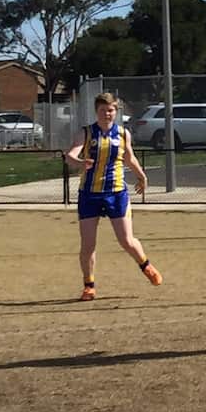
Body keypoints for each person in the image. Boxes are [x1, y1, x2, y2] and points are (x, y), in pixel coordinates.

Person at [64, 93, 162, 301]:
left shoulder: (123, 133)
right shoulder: (87, 133)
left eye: (111, 110)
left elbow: (129, 157)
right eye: (103, 110)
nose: (107, 114)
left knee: (126, 240)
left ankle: (146, 265)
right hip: (90, 194)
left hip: (116, 192)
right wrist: (80, 162)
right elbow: (71, 155)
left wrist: (141, 176)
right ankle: (89, 285)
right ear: (96, 111)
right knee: (88, 244)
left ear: (116, 112)